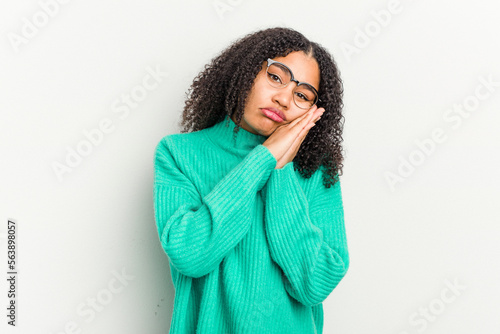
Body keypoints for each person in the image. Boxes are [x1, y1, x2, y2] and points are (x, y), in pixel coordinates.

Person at [153, 27, 349, 334]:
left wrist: (281, 171)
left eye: (301, 95)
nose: (284, 99)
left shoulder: (316, 171)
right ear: (245, 71)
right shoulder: (179, 153)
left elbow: (315, 283)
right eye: (275, 77)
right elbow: (191, 255)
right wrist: (263, 159)